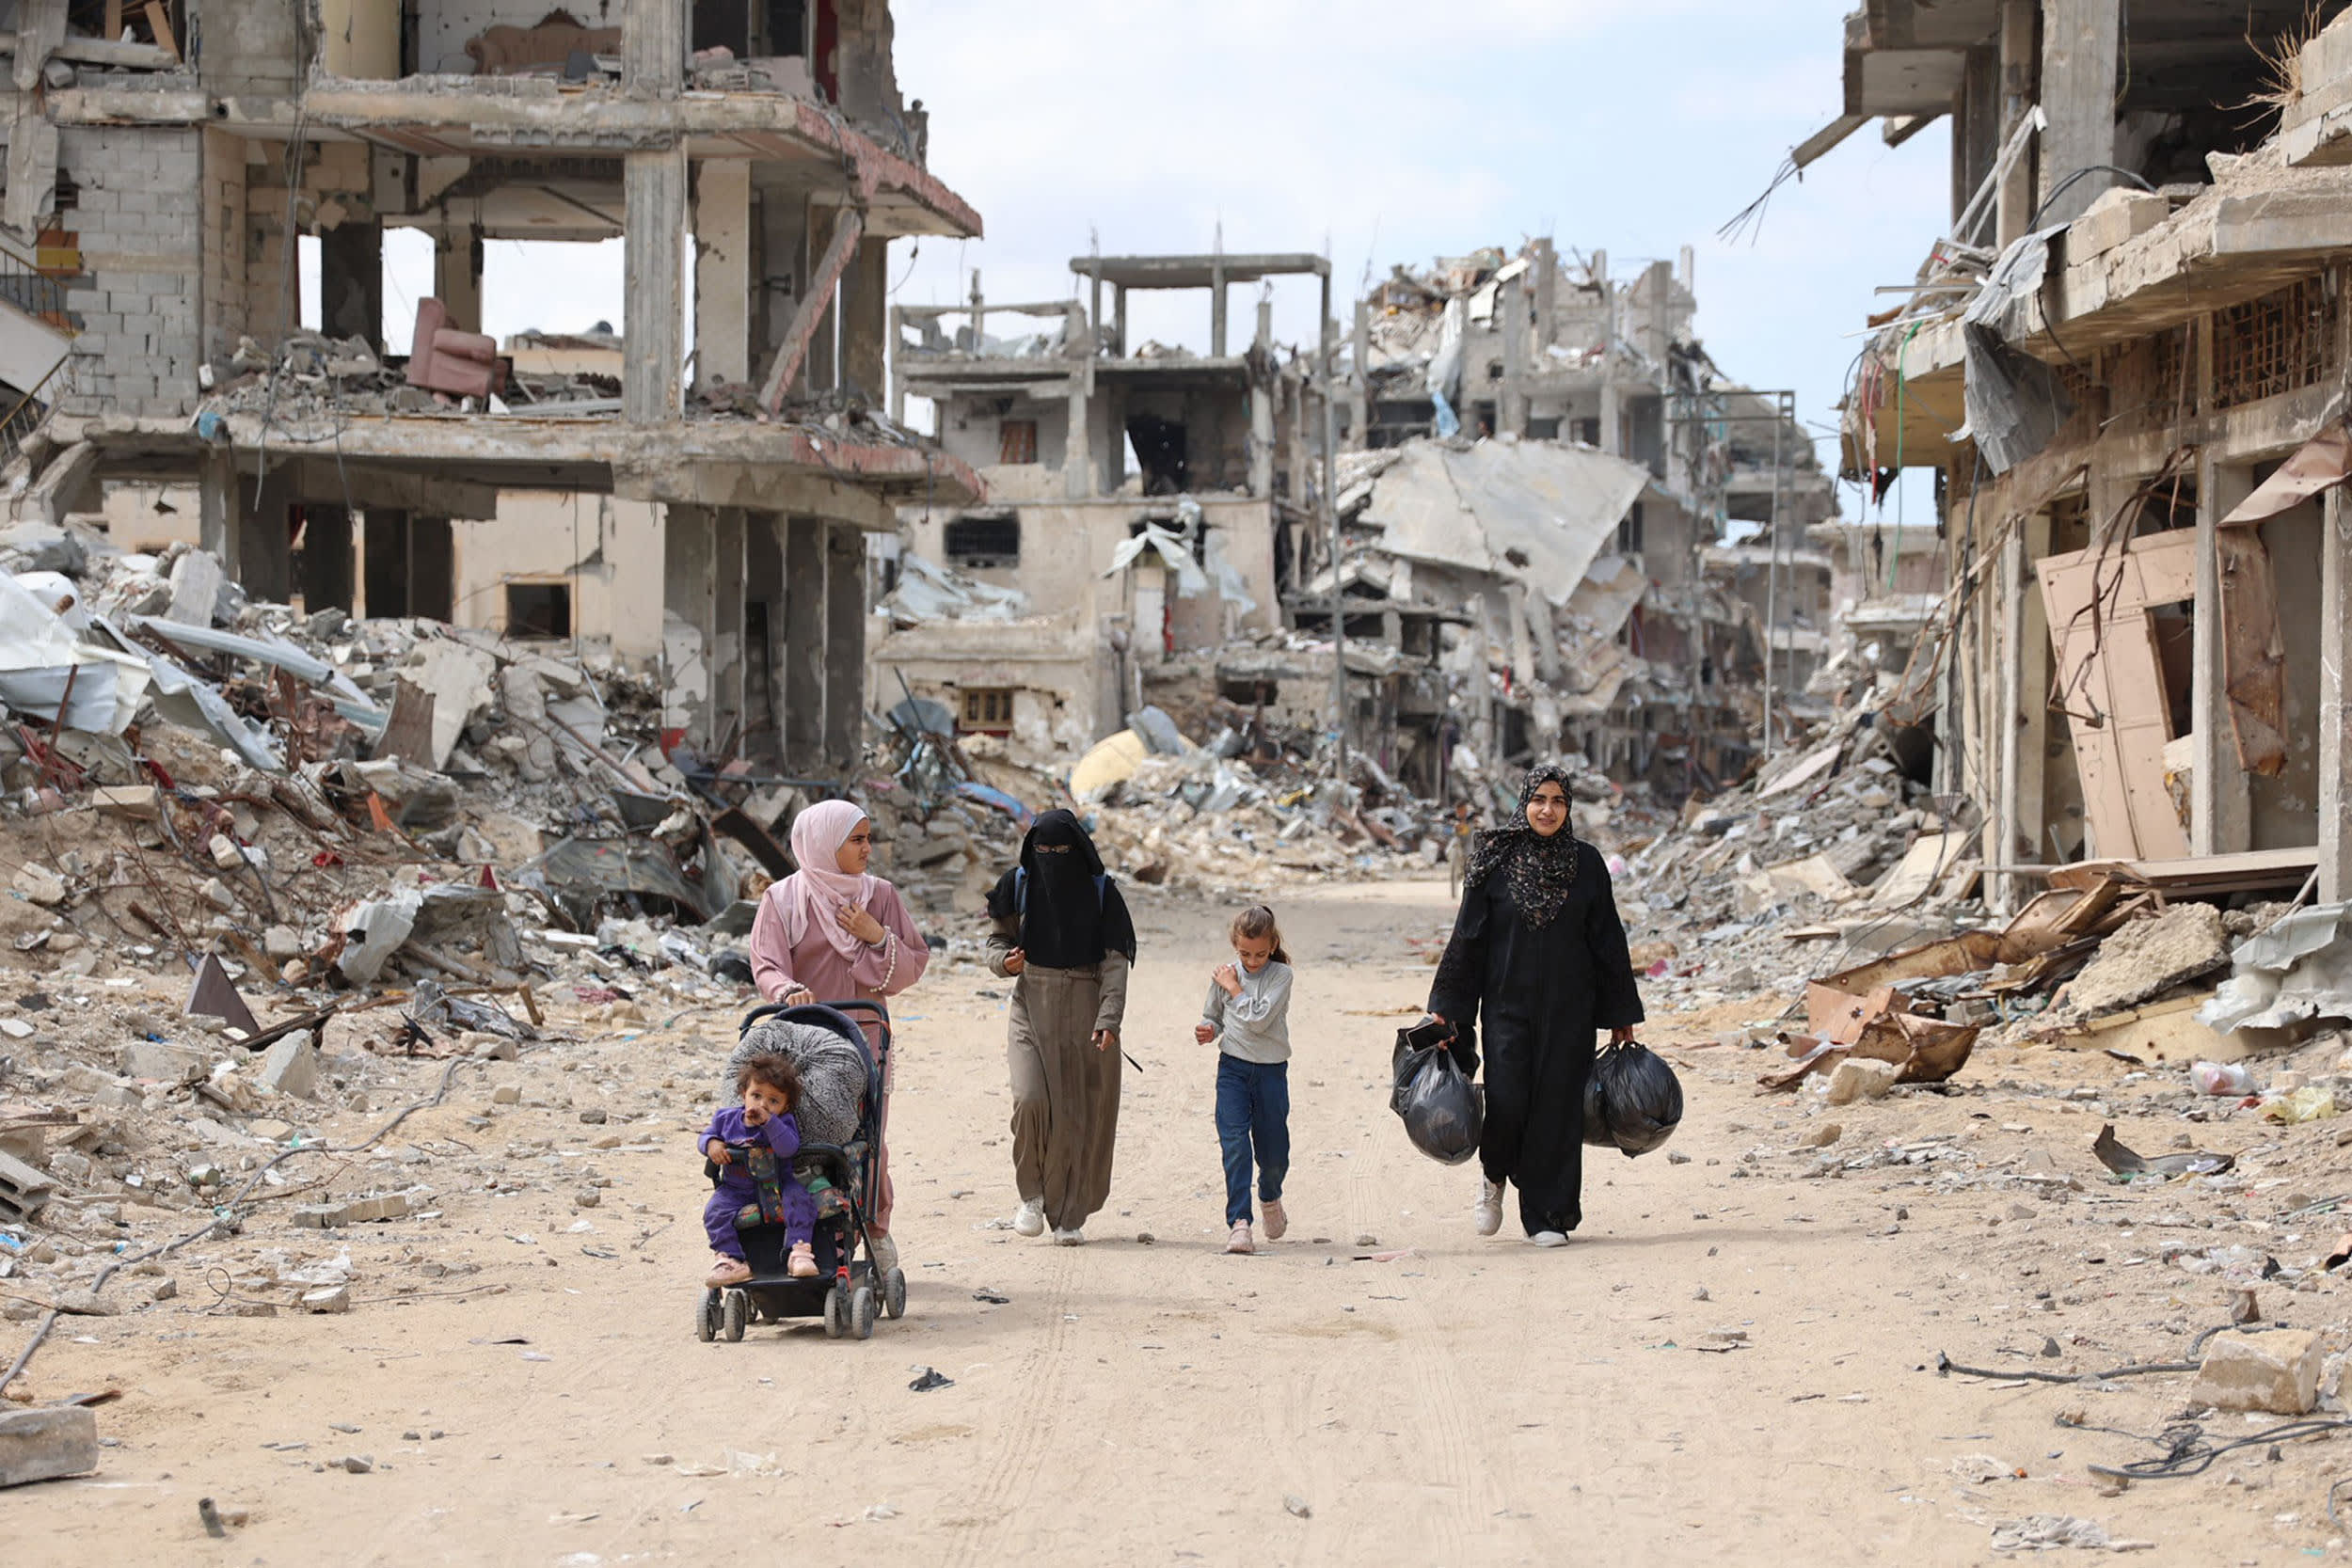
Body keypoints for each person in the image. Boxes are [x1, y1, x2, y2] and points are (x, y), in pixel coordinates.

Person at [1424, 763, 1644, 1247]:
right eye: (1539, 800)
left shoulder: (1586, 864)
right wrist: (1448, 1005)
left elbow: (1608, 940)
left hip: (1572, 1009)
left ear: (1568, 808)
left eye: (1558, 801)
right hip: (1506, 1006)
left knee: (1559, 1109)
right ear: (1524, 803)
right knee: (1507, 1103)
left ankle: (1549, 1214)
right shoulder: (1494, 859)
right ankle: (1495, 1175)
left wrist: (1620, 1015)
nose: (1548, 810)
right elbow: (1469, 937)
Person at [748, 799, 930, 1275]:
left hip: (864, 1037)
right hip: (802, 1046)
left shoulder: (880, 896)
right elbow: (766, 963)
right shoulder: (783, 899)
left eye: (868, 838)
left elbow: (912, 963)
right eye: (857, 839)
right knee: (799, 1137)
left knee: (867, 1139)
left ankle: (875, 1229)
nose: (868, 848)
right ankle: (802, 1236)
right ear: (825, 844)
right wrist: (786, 990)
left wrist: (876, 935)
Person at [984, 810, 1136, 1245]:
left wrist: (1109, 1019)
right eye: (1043, 850)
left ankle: (1071, 1214)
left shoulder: (1102, 894)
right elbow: (997, 942)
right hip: (1031, 1002)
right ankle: (1031, 1196)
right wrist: (1003, 962)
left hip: (1086, 1006)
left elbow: (1114, 964)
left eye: (1060, 851)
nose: (1051, 858)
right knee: (1029, 1099)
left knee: (1078, 1112)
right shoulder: (1018, 884)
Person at [1195, 905, 1295, 1256]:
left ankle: (1270, 1196)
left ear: (1272, 946)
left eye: (1260, 954)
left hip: (1270, 1071)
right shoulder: (1225, 975)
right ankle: (1240, 1222)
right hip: (1233, 1069)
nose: (1252, 961)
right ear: (1235, 946)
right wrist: (1210, 1029)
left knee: (1274, 1154)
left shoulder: (1281, 976)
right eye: (1244, 954)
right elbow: (1216, 1015)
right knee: (1234, 1143)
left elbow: (1258, 1019)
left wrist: (1234, 987)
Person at [700, 1053, 819, 1287]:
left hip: (779, 1184)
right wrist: (712, 1144)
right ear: (743, 1093)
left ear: (785, 1107)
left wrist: (769, 1122)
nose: (762, 1104)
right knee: (714, 1212)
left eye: (773, 1101)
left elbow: (788, 1148)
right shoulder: (726, 1119)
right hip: (736, 1188)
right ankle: (731, 1259)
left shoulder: (783, 1123)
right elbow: (707, 1135)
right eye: (756, 1096)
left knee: (800, 1200)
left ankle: (799, 1250)